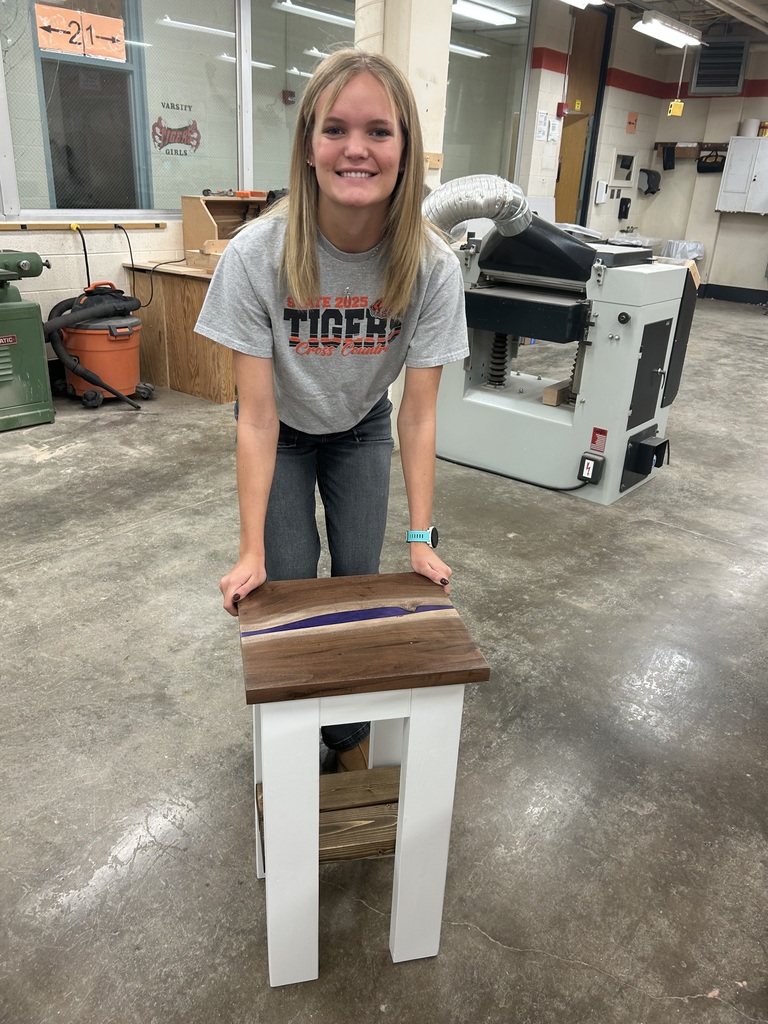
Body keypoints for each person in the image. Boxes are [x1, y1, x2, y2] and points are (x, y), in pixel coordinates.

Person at [195, 47, 469, 770]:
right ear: (308, 147)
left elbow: (416, 413)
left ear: (406, 150)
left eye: (379, 131)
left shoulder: (433, 266)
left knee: (358, 582)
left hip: (362, 428)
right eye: (336, 130)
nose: (357, 149)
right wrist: (248, 549)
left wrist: (419, 536)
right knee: (285, 586)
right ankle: (290, 737)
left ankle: (345, 734)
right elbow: (253, 417)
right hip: (280, 433)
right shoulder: (256, 257)